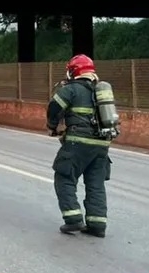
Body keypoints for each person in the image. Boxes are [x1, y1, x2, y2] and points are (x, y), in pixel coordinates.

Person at [46, 54, 115, 238]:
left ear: (73, 71)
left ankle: (73, 219)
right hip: (102, 143)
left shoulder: (72, 89)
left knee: (64, 176)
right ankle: (97, 224)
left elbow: (54, 107)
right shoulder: (100, 91)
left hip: (78, 142)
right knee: (96, 183)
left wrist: (52, 126)